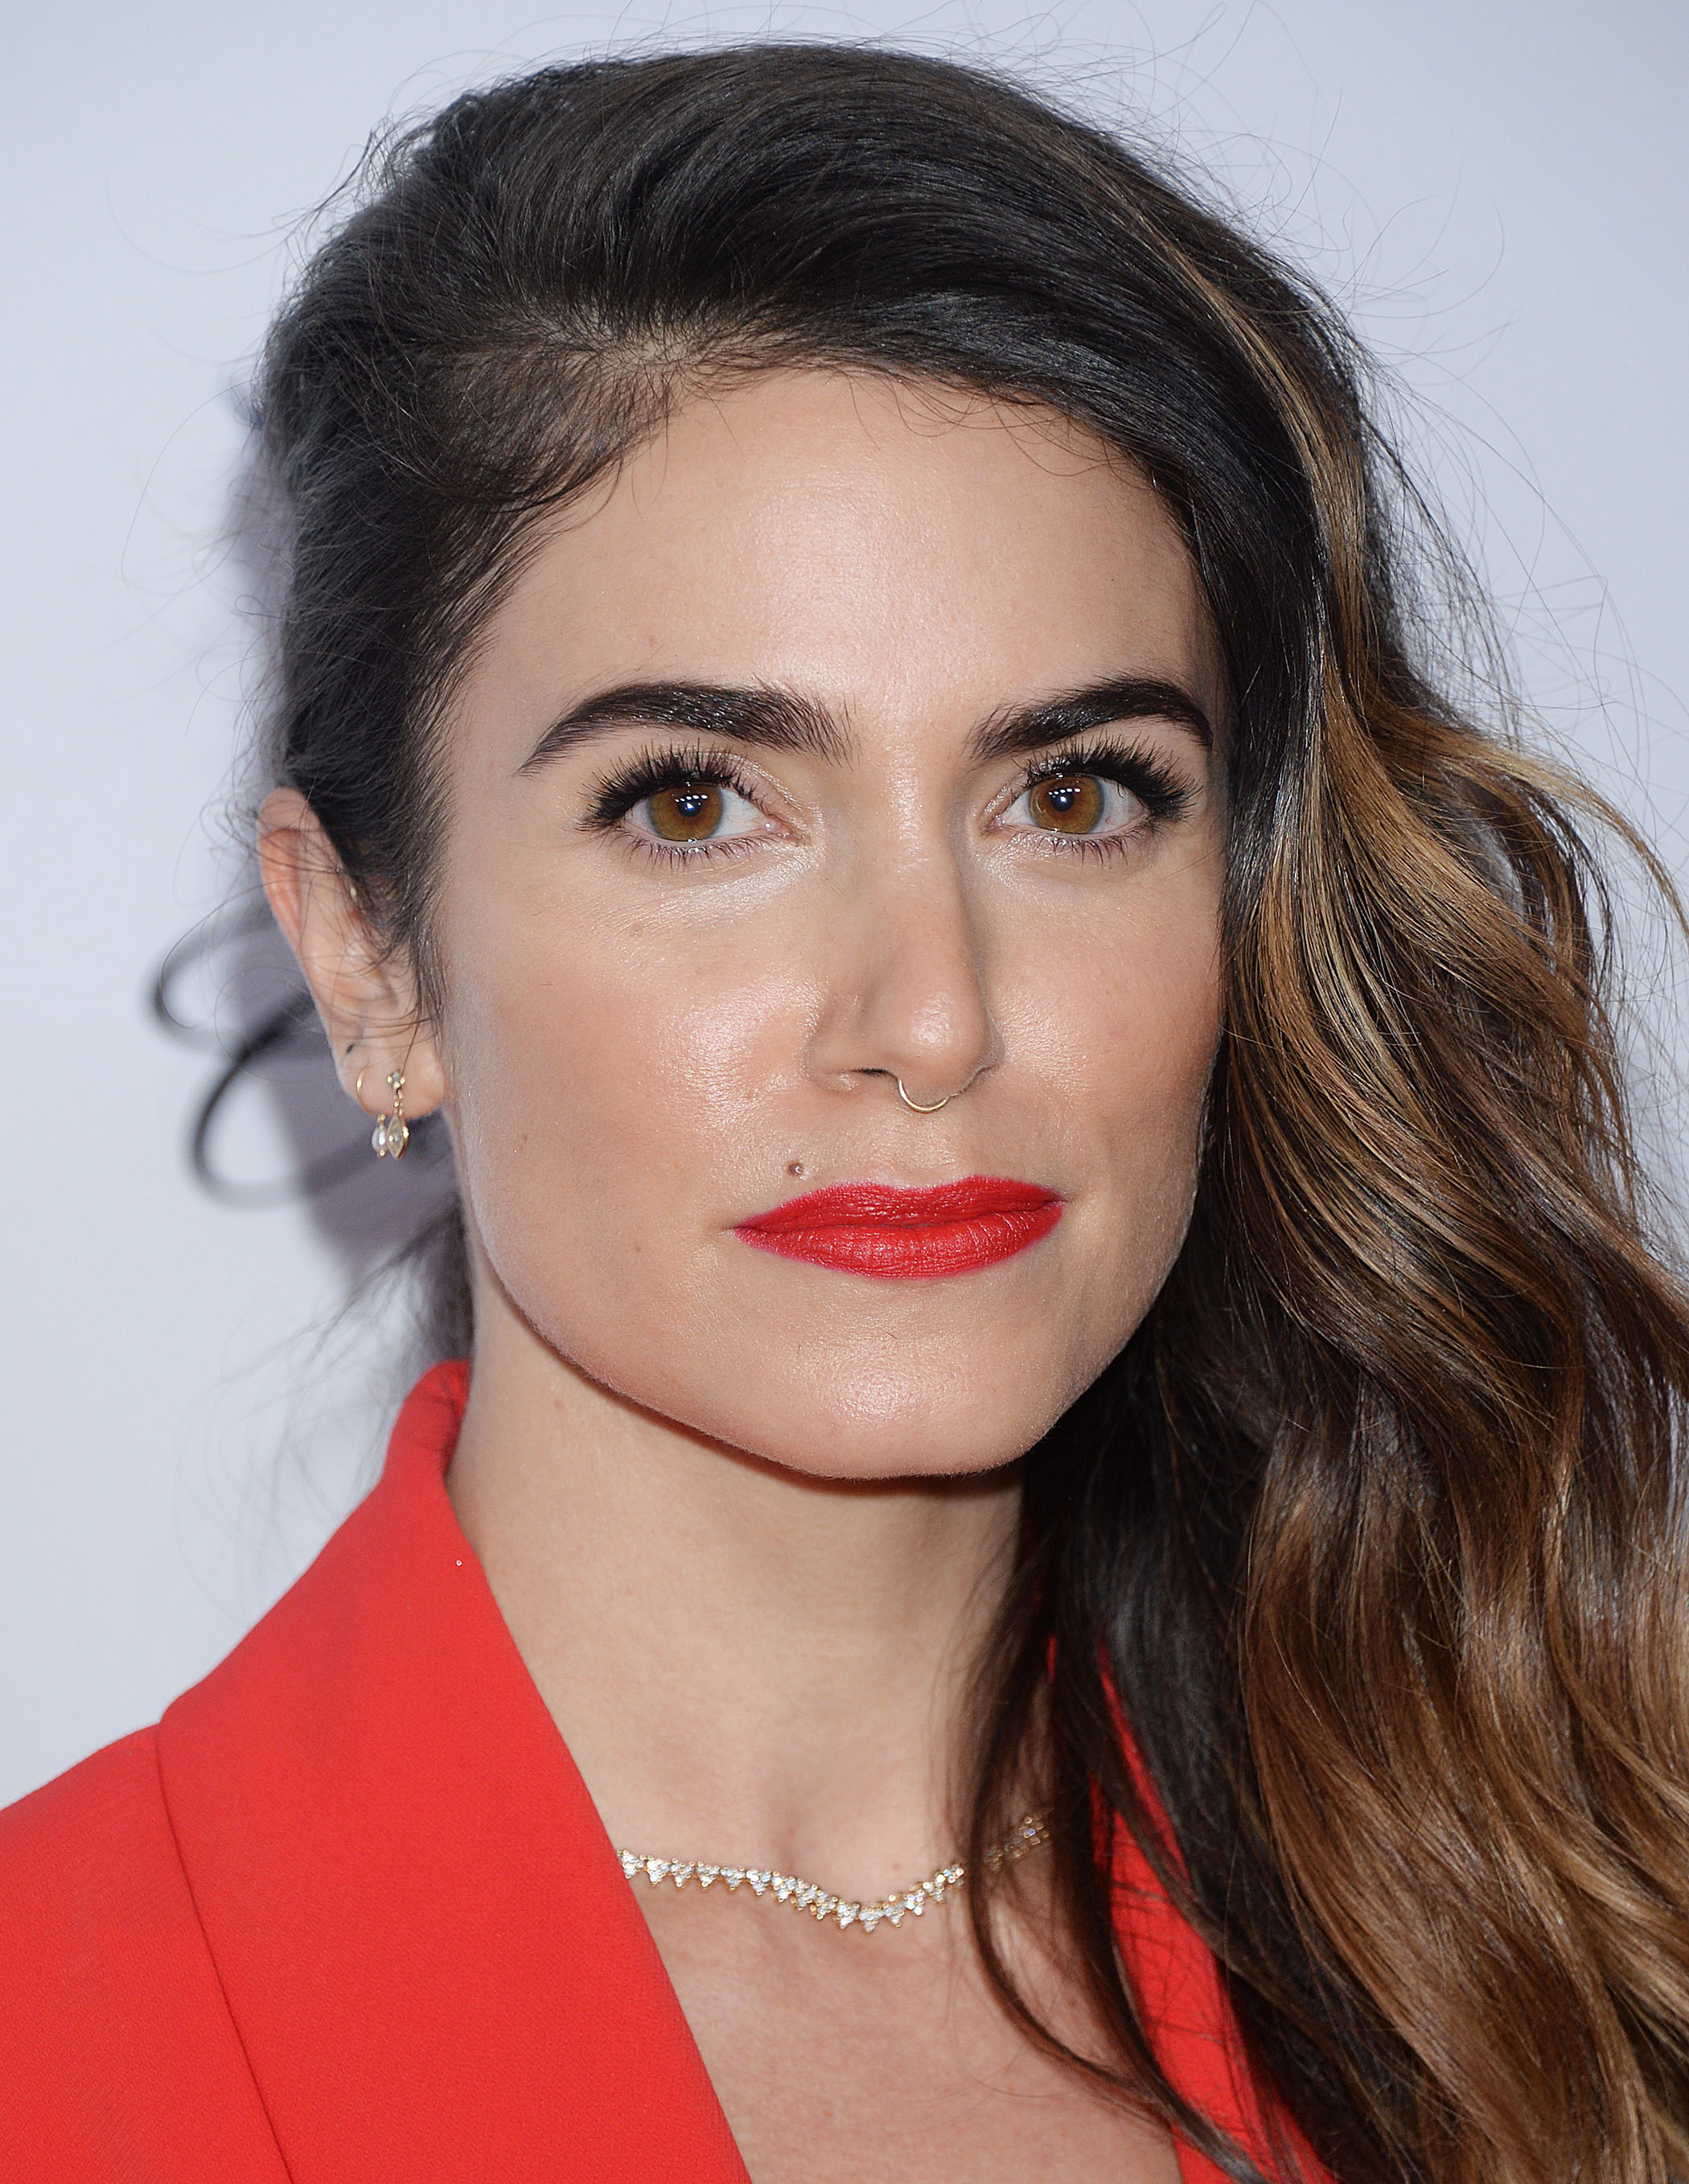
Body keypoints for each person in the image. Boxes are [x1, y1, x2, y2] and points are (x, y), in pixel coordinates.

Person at [3, 42, 1685, 2184]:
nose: (931, 1016)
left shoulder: (1582, 1939)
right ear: (367, 958)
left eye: (1073, 796)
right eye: (695, 806)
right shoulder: (54, 2037)